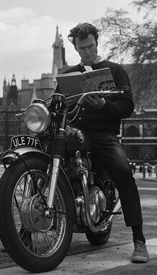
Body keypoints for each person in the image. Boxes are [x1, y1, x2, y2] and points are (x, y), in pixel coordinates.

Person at [58, 22, 149, 263]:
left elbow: (127, 107)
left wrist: (104, 105)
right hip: (74, 131)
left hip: (103, 134)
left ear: (97, 43)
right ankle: (24, 235)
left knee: (122, 171)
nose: (87, 52)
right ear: (75, 48)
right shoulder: (68, 75)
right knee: (48, 158)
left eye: (90, 46)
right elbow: (57, 105)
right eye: (82, 48)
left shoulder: (115, 70)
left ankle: (139, 240)